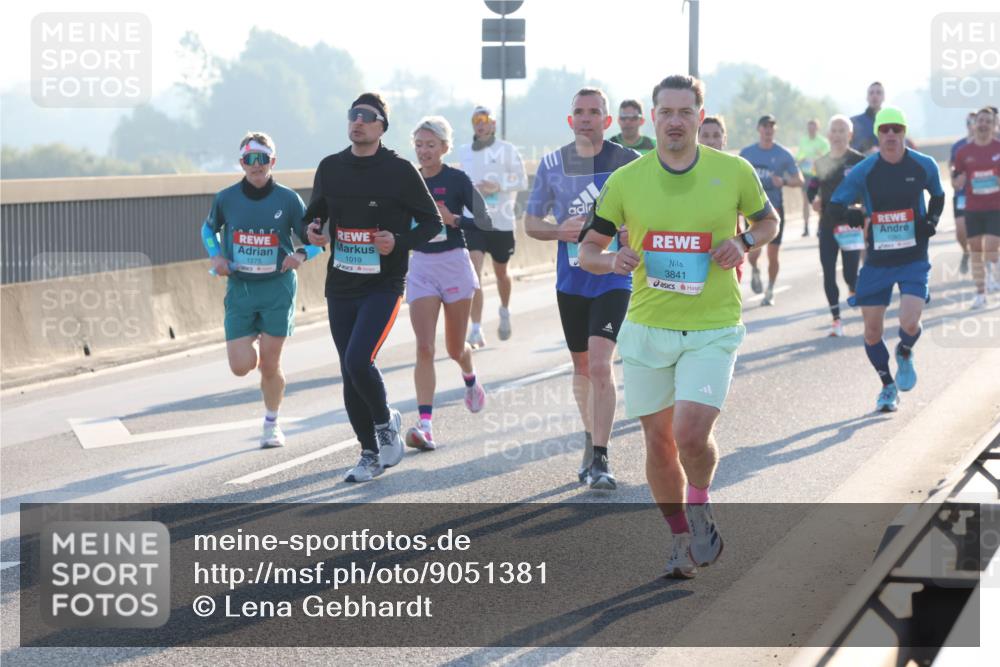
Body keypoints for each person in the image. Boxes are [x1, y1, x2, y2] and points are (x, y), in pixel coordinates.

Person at [579, 74, 778, 578]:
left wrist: (746, 244)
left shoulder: (733, 170)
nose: (674, 121)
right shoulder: (626, 180)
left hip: (712, 326)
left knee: (690, 433)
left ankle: (700, 499)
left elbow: (767, 222)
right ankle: (679, 538)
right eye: (665, 112)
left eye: (685, 112)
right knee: (658, 443)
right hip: (647, 327)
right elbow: (586, 251)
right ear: (652, 118)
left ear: (699, 116)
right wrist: (613, 260)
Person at [305, 92, 444, 482]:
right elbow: (312, 217)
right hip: (341, 283)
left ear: (382, 125)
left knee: (357, 360)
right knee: (349, 372)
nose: (358, 122)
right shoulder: (331, 167)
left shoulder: (399, 171)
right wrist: (313, 232)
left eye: (367, 116)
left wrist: (397, 241)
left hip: (383, 284)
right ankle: (368, 454)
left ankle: (384, 426)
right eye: (353, 115)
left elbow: (432, 222)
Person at [524, 87, 640, 490]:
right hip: (571, 280)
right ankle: (591, 439)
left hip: (613, 277)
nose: (586, 118)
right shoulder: (553, 163)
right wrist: (559, 230)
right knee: (580, 368)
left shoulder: (630, 163)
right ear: (570, 120)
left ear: (607, 121)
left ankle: (603, 459)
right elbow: (531, 222)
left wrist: (631, 232)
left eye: (594, 112)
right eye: (579, 112)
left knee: (599, 364)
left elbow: (652, 215)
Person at [201, 132, 320, 449]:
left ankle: (271, 423)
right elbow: (208, 228)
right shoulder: (226, 198)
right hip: (240, 289)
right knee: (241, 367)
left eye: (262, 158)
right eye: (249, 159)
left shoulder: (288, 200)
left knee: (270, 363)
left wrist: (301, 254)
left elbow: (315, 241)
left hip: (277, 290)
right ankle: (252, 338)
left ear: (273, 161)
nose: (256, 165)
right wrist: (216, 255)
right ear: (241, 162)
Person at [828, 106, 944, 413]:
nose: (891, 134)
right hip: (878, 261)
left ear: (904, 132)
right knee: (872, 331)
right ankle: (887, 385)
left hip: (913, 257)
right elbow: (834, 205)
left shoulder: (924, 165)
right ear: (878, 134)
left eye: (897, 129)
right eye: (885, 129)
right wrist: (849, 212)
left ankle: (904, 351)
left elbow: (939, 194)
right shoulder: (865, 170)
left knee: (910, 320)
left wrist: (930, 220)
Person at [406, 116, 491, 449]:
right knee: (425, 347)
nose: (424, 151)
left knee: (455, 348)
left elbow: (484, 221)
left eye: (430, 145)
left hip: (455, 262)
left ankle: (469, 378)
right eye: (419, 145)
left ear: (444, 147)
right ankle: (425, 425)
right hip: (422, 266)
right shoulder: (408, 181)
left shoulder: (456, 180)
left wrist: (453, 219)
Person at [456, 106, 528, 348]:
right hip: (474, 221)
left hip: (501, 221)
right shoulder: (465, 151)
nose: (480, 123)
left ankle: (505, 310)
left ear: (493, 124)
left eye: (484, 119)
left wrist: (497, 185)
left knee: (501, 273)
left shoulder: (507, 150)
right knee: (473, 274)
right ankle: (475, 329)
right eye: (475, 119)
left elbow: (521, 179)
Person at [807, 115, 865, 337]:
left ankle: (854, 287)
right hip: (827, 224)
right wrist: (814, 200)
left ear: (849, 135)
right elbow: (811, 188)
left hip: (850, 225)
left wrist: (860, 206)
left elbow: (866, 189)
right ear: (829, 135)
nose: (838, 134)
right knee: (828, 272)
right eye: (835, 130)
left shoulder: (858, 161)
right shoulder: (820, 163)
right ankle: (836, 320)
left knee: (851, 275)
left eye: (843, 130)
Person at [740, 115, 802, 305]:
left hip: (774, 209)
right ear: (759, 129)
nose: (768, 130)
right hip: (751, 211)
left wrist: (783, 181)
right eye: (765, 127)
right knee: (753, 253)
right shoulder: (747, 153)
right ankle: (756, 269)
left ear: (775, 130)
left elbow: (799, 180)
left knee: (773, 254)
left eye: (771, 127)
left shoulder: (783, 154)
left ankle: (770, 290)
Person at [953, 107, 1000, 309]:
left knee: (990, 247)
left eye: (988, 121)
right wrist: (958, 180)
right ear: (975, 124)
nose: (983, 124)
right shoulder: (963, 152)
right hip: (973, 208)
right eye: (980, 120)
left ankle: (994, 273)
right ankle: (980, 293)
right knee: (975, 251)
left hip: (996, 207)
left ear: (994, 125)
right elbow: (956, 180)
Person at [950, 112, 976, 275]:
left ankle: (986, 263)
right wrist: (955, 180)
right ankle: (966, 252)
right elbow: (952, 168)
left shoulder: (992, 144)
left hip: (983, 195)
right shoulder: (958, 146)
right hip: (962, 194)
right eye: (970, 122)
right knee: (961, 231)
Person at [797, 119, 831, 237]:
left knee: (819, 201)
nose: (811, 130)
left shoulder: (823, 142)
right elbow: (799, 155)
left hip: (818, 174)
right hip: (806, 174)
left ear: (817, 128)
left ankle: (819, 227)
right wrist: (802, 158)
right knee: (805, 201)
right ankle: (806, 228)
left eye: (813, 127)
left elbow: (828, 157)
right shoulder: (803, 140)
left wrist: (818, 155)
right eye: (809, 127)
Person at [850, 81, 884, 154]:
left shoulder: (891, 124)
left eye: (878, 92)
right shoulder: (853, 122)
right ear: (867, 97)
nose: (875, 96)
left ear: (884, 97)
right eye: (871, 93)